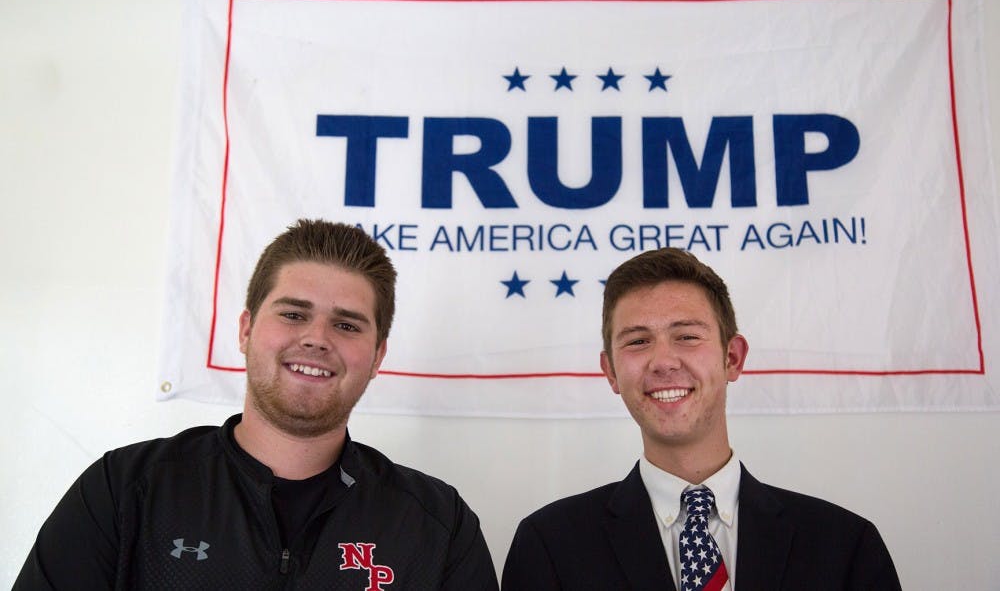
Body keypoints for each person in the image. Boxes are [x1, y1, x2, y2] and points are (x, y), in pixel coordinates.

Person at [16, 219, 499, 590]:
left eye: (347, 325)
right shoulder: (125, 491)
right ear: (246, 331)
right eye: (293, 314)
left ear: (377, 357)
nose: (316, 339)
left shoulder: (437, 525)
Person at [502, 248, 901, 591]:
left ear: (733, 358)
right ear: (610, 373)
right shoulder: (549, 546)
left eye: (687, 336)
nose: (663, 361)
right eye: (638, 341)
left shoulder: (846, 545)